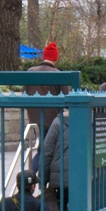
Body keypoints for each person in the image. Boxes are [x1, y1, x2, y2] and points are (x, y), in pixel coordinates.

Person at [24, 41, 69, 173]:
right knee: (47, 151)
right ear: (56, 57)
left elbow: (25, 94)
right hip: (52, 121)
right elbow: (65, 99)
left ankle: (33, 178)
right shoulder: (58, 74)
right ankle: (35, 178)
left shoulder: (30, 72)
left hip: (34, 119)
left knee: (42, 149)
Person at [43, 113, 69, 211]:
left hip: (61, 178)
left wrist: (43, 179)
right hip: (85, 178)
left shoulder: (58, 122)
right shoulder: (92, 119)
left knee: (61, 208)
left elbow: (47, 152)